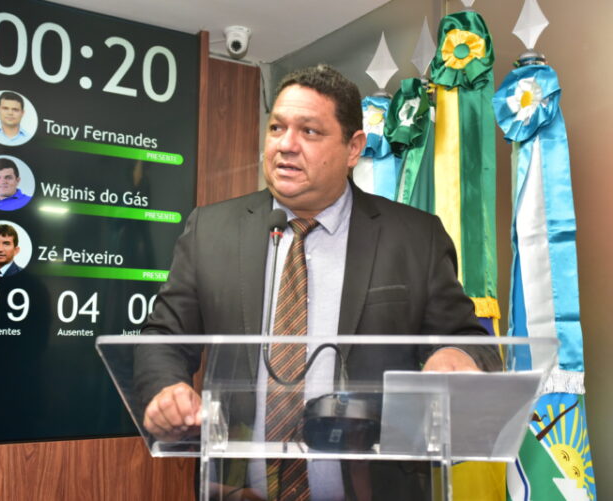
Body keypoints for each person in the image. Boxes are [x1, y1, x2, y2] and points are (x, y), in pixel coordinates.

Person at [136, 65, 498, 500]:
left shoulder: (415, 238)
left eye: (309, 131)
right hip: (236, 491)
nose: (286, 145)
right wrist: (166, 389)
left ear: (353, 148)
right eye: (277, 127)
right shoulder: (210, 230)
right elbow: (163, 338)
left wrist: (456, 355)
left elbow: (465, 338)